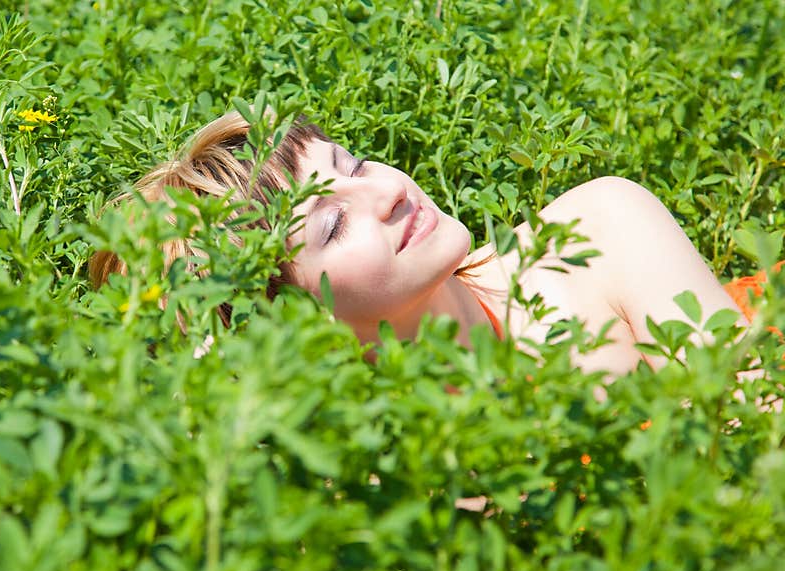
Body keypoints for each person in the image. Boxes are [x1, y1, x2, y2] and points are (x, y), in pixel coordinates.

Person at [88, 110, 783, 408]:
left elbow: (759, 440)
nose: (388, 191)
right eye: (331, 225)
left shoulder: (601, 228)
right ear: (277, 326)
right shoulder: (360, 481)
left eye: (353, 161)